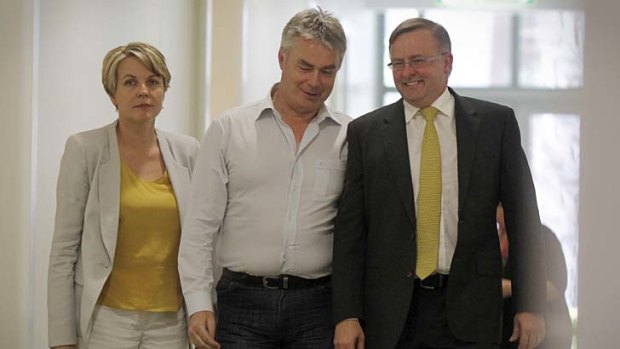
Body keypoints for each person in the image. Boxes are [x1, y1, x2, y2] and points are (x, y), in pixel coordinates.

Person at [332, 17, 546, 349]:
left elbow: (524, 220)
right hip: (391, 315)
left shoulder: (494, 124)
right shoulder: (367, 132)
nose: (406, 72)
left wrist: (530, 305)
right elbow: (350, 232)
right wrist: (346, 315)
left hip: (472, 311)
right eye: (397, 64)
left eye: (418, 61)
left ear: (447, 62)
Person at [178, 7, 349, 349]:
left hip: (318, 308)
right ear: (282, 58)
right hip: (241, 306)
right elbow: (200, 226)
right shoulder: (229, 129)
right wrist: (198, 304)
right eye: (305, 67)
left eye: (327, 71)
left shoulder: (349, 135)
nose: (315, 81)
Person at [47, 42, 199, 349]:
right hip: (107, 319)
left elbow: (202, 241)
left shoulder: (188, 152)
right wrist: (61, 338)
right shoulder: (84, 150)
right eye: (130, 82)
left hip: (170, 320)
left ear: (164, 91)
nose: (143, 91)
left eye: (153, 82)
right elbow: (64, 251)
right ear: (113, 95)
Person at [497, 205, 573, 349]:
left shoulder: (542, 236)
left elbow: (554, 287)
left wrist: (506, 287)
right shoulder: (495, 239)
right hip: (509, 335)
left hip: (546, 335)